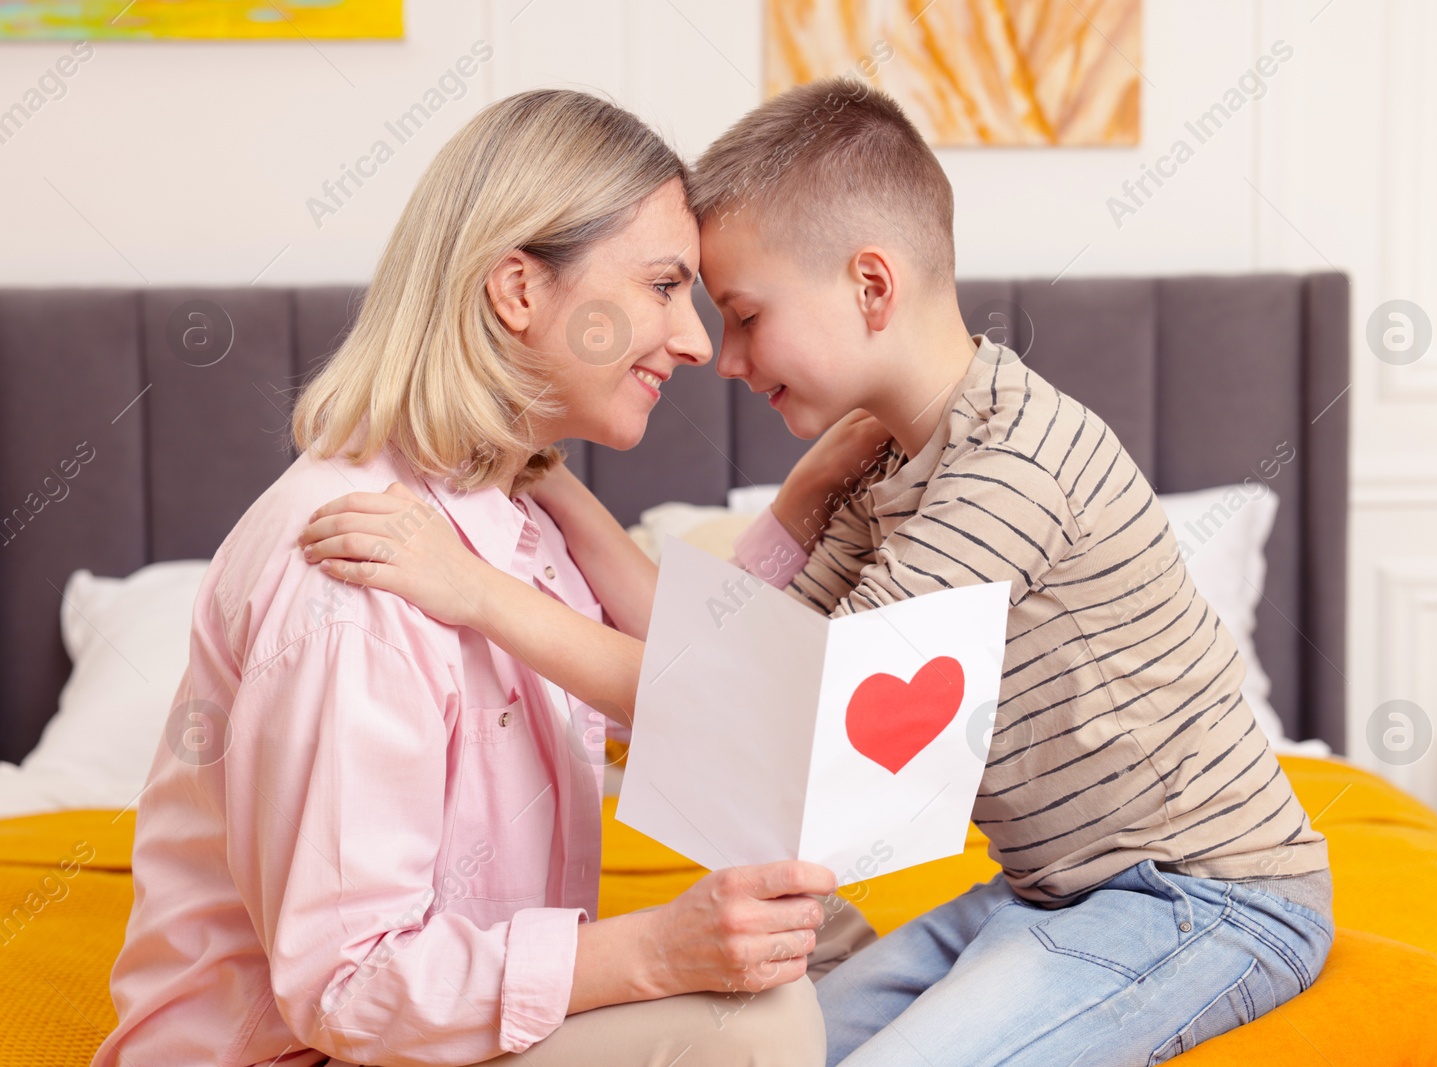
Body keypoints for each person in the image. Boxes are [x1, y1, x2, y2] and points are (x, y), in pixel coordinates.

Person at [306, 78, 1335, 1066]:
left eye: (745, 314)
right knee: (762, 1051)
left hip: (1205, 897)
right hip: (1051, 889)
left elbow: (776, 705)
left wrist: (478, 592)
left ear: (870, 286)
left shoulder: (1010, 468)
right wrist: (553, 486)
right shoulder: (888, 461)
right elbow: (725, 659)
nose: (727, 356)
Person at [94, 89, 877, 1067]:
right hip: (313, 1049)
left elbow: (712, 687)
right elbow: (347, 986)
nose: (692, 342)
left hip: (428, 1034)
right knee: (760, 1025)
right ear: (517, 290)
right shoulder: (360, 570)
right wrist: (653, 950)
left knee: (833, 947)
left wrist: (804, 493)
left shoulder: (520, 523)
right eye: (664, 286)